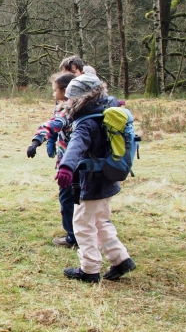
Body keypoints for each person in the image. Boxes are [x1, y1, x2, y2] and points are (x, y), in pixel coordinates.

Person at [56, 74, 135, 283]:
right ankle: (121, 259)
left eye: (70, 98)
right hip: (108, 180)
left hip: (91, 182)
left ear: (80, 98)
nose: (67, 101)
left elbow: (75, 147)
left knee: (83, 225)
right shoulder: (103, 112)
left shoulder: (85, 122)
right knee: (101, 222)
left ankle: (89, 269)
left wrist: (65, 168)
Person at [28, 72, 77, 247]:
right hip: (83, 164)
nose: (53, 94)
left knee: (67, 199)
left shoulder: (68, 110)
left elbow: (51, 125)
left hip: (70, 165)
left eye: (55, 90)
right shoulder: (83, 106)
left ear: (65, 90)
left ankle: (73, 236)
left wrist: (36, 141)